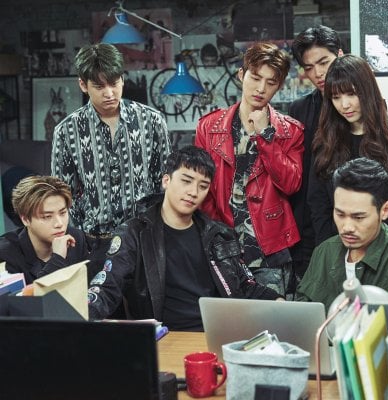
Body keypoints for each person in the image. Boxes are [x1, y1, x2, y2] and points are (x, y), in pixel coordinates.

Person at [87, 146, 281, 330]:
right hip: (165, 337)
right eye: (186, 181)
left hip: (216, 332)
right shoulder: (135, 233)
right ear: (166, 181)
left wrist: (280, 303)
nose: (193, 192)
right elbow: (108, 285)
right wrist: (83, 315)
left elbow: (246, 286)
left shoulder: (218, 235)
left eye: (203, 186)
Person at [195, 42, 304, 299]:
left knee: (271, 320)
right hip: (222, 248)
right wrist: (218, 237)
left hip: (269, 250)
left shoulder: (290, 131)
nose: (261, 88)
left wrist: (266, 135)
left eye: (271, 82)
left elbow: (291, 184)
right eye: (255, 78)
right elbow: (202, 187)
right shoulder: (209, 128)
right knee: (225, 320)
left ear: (279, 86)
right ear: (241, 75)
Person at [51, 43, 171, 252]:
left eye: (114, 83)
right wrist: (78, 235)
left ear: (122, 79)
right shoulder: (66, 130)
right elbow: (62, 193)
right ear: (83, 85)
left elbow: (164, 181)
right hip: (93, 240)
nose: (109, 93)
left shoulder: (152, 120)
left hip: (144, 238)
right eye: (99, 86)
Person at [308, 54, 388, 246]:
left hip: (386, 249)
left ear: (367, 91)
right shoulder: (325, 141)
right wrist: (332, 251)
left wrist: (374, 251)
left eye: (351, 94)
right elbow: (318, 205)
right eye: (336, 97)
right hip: (337, 248)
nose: (344, 105)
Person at [296, 158, 388, 310]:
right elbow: (303, 314)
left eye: (358, 217)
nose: (347, 227)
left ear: (385, 210)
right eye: (340, 214)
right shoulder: (324, 252)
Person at [288, 25, 342, 277]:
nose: (318, 74)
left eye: (324, 63)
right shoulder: (299, 109)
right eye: (309, 68)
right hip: (308, 227)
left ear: (340, 55)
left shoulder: (358, 106)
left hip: (350, 222)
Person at [0, 176, 96, 284]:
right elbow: (33, 294)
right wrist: (58, 258)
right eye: (47, 217)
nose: (59, 224)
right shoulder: (5, 255)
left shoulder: (76, 237)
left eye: (63, 213)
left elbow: (88, 288)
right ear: (25, 219)